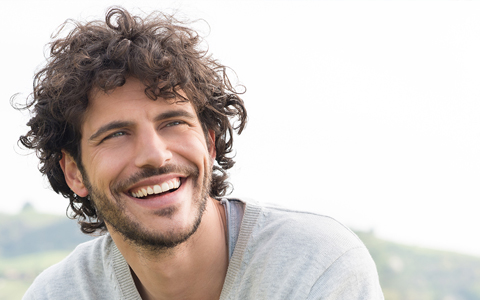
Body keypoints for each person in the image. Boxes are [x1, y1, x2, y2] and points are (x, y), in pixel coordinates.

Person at [17, 7, 383, 300]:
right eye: (116, 134)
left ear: (208, 142)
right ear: (74, 173)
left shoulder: (315, 267)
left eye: (173, 122)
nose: (155, 156)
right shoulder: (57, 293)